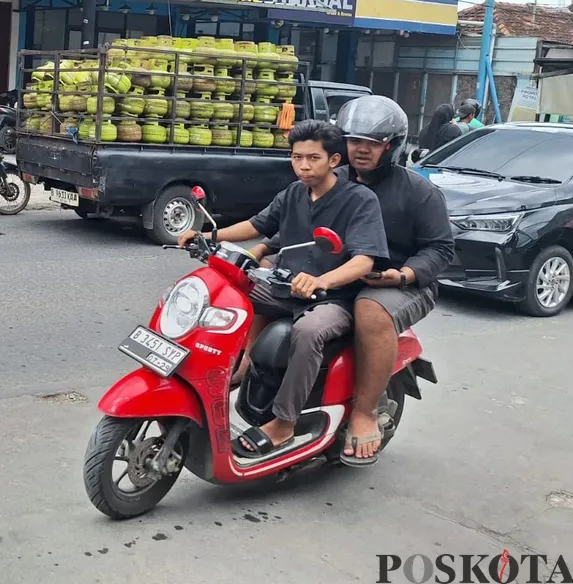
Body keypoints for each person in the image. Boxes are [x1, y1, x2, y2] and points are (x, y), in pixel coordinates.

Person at [178, 120, 388, 458]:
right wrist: (209, 235)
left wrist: (323, 280)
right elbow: (257, 225)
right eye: (296, 158)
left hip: (333, 298)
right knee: (229, 291)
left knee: (307, 331)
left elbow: (364, 260)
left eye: (312, 158)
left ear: (334, 160)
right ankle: (242, 364)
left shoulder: (359, 200)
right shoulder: (293, 193)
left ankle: (284, 423)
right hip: (286, 287)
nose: (303, 166)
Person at [319, 96, 453, 465]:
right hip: (341, 275)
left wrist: (403, 274)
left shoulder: (419, 191)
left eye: (373, 143)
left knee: (371, 309)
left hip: (401, 284)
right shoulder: (332, 181)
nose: (361, 149)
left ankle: (364, 413)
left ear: (391, 146)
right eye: (354, 140)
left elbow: (440, 249)